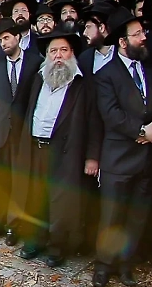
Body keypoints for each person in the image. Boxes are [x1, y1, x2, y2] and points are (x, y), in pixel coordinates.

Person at [91, 8, 152, 287]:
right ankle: (103, 265)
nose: (143, 38)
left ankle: (125, 264)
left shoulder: (151, 68)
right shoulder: (105, 75)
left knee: (137, 215)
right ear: (122, 41)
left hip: (147, 158)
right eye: (137, 34)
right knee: (112, 216)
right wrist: (141, 132)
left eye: (143, 32)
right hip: (119, 158)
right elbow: (110, 114)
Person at [16, 28, 94, 267]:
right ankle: (35, 240)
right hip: (36, 148)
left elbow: (94, 123)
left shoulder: (82, 84)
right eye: (53, 51)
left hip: (64, 152)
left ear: (72, 54)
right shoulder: (38, 78)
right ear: (47, 56)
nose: (58, 56)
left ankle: (57, 246)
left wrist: (92, 157)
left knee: (61, 202)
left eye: (63, 50)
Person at [0, 21, 42, 243]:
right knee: (0, 180)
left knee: (19, 182)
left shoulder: (35, 62)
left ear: (17, 37)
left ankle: (14, 226)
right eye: (0, 40)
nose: (3, 43)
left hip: (23, 132)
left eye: (6, 38)